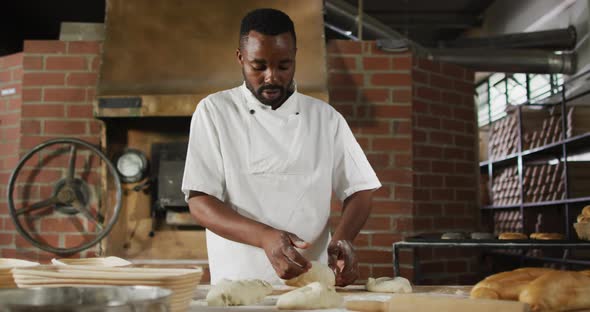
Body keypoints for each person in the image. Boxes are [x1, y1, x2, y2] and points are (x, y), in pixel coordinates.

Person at [181, 8, 381, 286]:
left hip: (311, 282)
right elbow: (200, 202)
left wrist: (342, 239)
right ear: (240, 58)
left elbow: (361, 189)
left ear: (295, 57)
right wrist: (265, 236)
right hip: (238, 284)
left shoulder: (325, 118)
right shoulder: (215, 111)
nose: (272, 77)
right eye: (258, 66)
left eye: (283, 66)